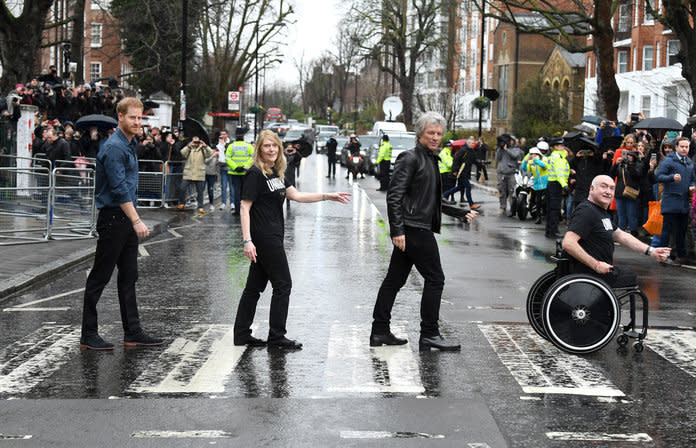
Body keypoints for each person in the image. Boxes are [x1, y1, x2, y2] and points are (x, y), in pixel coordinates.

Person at [370, 112, 477, 352]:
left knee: (394, 281)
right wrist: (397, 231)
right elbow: (394, 196)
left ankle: (379, 331)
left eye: (439, 134)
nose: (436, 137)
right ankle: (429, 334)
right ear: (420, 134)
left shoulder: (431, 159)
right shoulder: (410, 158)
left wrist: (460, 212)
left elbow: (431, 200)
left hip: (414, 228)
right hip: (414, 229)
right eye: (431, 133)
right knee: (435, 279)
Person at [233, 130, 351, 349]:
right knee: (283, 284)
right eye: (267, 146)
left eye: (274, 146)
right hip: (264, 237)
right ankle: (277, 336)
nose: (271, 150)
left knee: (254, 287)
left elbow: (296, 196)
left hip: (274, 234)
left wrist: (328, 196)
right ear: (259, 148)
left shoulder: (276, 174)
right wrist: (247, 240)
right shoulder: (255, 174)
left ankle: (241, 334)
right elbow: (244, 207)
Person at [80, 97, 164, 351]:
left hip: (124, 218)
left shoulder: (130, 143)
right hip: (114, 218)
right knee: (99, 277)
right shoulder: (115, 147)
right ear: (120, 117)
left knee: (129, 276)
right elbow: (118, 189)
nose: (138, 122)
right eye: (133, 118)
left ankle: (133, 332)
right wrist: (136, 219)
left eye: (140, 118)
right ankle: (88, 335)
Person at [562, 175, 670, 288]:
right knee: (631, 278)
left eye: (612, 188)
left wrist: (651, 251)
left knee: (629, 276)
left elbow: (620, 235)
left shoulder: (599, 211)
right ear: (592, 189)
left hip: (600, 271)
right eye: (603, 187)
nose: (608, 192)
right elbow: (568, 243)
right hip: (591, 274)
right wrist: (596, 265)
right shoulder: (586, 211)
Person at [655, 137, 696, 266]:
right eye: (682, 147)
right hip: (670, 201)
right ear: (677, 147)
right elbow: (659, 176)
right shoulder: (669, 161)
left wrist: (692, 186)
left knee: (681, 231)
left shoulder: (689, 163)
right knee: (666, 231)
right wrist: (672, 177)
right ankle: (662, 256)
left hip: (683, 202)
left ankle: (681, 256)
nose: (684, 149)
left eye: (687, 147)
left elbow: (693, 179)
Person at [178, 136, 214, 214]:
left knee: (200, 191)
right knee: (182, 188)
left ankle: (200, 206)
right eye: (194, 141)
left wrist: (205, 146)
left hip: (199, 173)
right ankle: (182, 203)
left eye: (197, 141)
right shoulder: (189, 148)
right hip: (189, 173)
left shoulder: (202, 149)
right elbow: (182, 152)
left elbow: (211, 153)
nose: (196, 143)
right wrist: (188, 146)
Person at [444, 136, 481, 209]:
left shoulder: (472, 151)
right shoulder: (463, 150)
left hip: (467, 172)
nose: (473, 145)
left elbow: (474, 161)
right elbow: (456, 160)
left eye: (474, 143)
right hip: (461, 171)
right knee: (468, 187)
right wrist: (454, 170)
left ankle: (444, 195)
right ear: (468, 143)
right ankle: (471, 204)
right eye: (472, 143)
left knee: (459, 187)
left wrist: (481, 163)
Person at [545, 137, 570, 238]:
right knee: (555, 209)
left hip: (551, 183)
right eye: (560, 146)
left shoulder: (552, 156)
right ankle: (554, 231)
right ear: (555, 147)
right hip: (557, 184)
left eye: (563, 145)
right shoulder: (559, 157)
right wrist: (564, 185)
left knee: (550, 208)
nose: (563, 147)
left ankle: (549, 230)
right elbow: (559, 172)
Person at [226, 128, 254, 215]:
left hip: (234, 173)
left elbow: (227, 158)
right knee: (246, 192)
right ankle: (246, 210)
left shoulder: (231, 146)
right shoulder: (248, 146)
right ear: (243, 136)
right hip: (246, 173)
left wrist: (235, 167)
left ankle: (238, 210)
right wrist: (244, 167)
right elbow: (253, 157)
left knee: (236, 192)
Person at [496, 133, 523, 215]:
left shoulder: (516, 149)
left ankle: (512, 209)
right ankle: (502, 207)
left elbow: (515, 156)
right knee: (502, 192)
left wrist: (506, 150)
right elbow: (498, 158)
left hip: (511, 174)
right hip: (501, 173)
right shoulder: (501, 149)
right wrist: (500, 148)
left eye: (511, 140)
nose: (509, 142)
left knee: (512, 192)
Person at [521, 147, 548, 224]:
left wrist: (536, 160)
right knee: (538, 201)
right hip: (537, 184)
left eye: (533, 154)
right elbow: (526, 169)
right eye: (531, 154)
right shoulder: (531, 162)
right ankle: (538, 217)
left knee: (545, 200)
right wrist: (525, 162)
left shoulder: (544, 159)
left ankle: (546, 215)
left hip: (545, 182)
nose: (531, 155)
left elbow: (544, 166)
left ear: (537, 154)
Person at [217, 130, 233, 210]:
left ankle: (232, 203)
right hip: (223, 167)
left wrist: (224, 145)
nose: (222, 136)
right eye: (221, 134)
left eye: (224, 134)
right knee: (223, 186)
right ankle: (223, 203)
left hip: (230, 167)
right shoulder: (219, 143)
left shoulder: (231, 143)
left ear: (227, 134)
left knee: (231, 186)